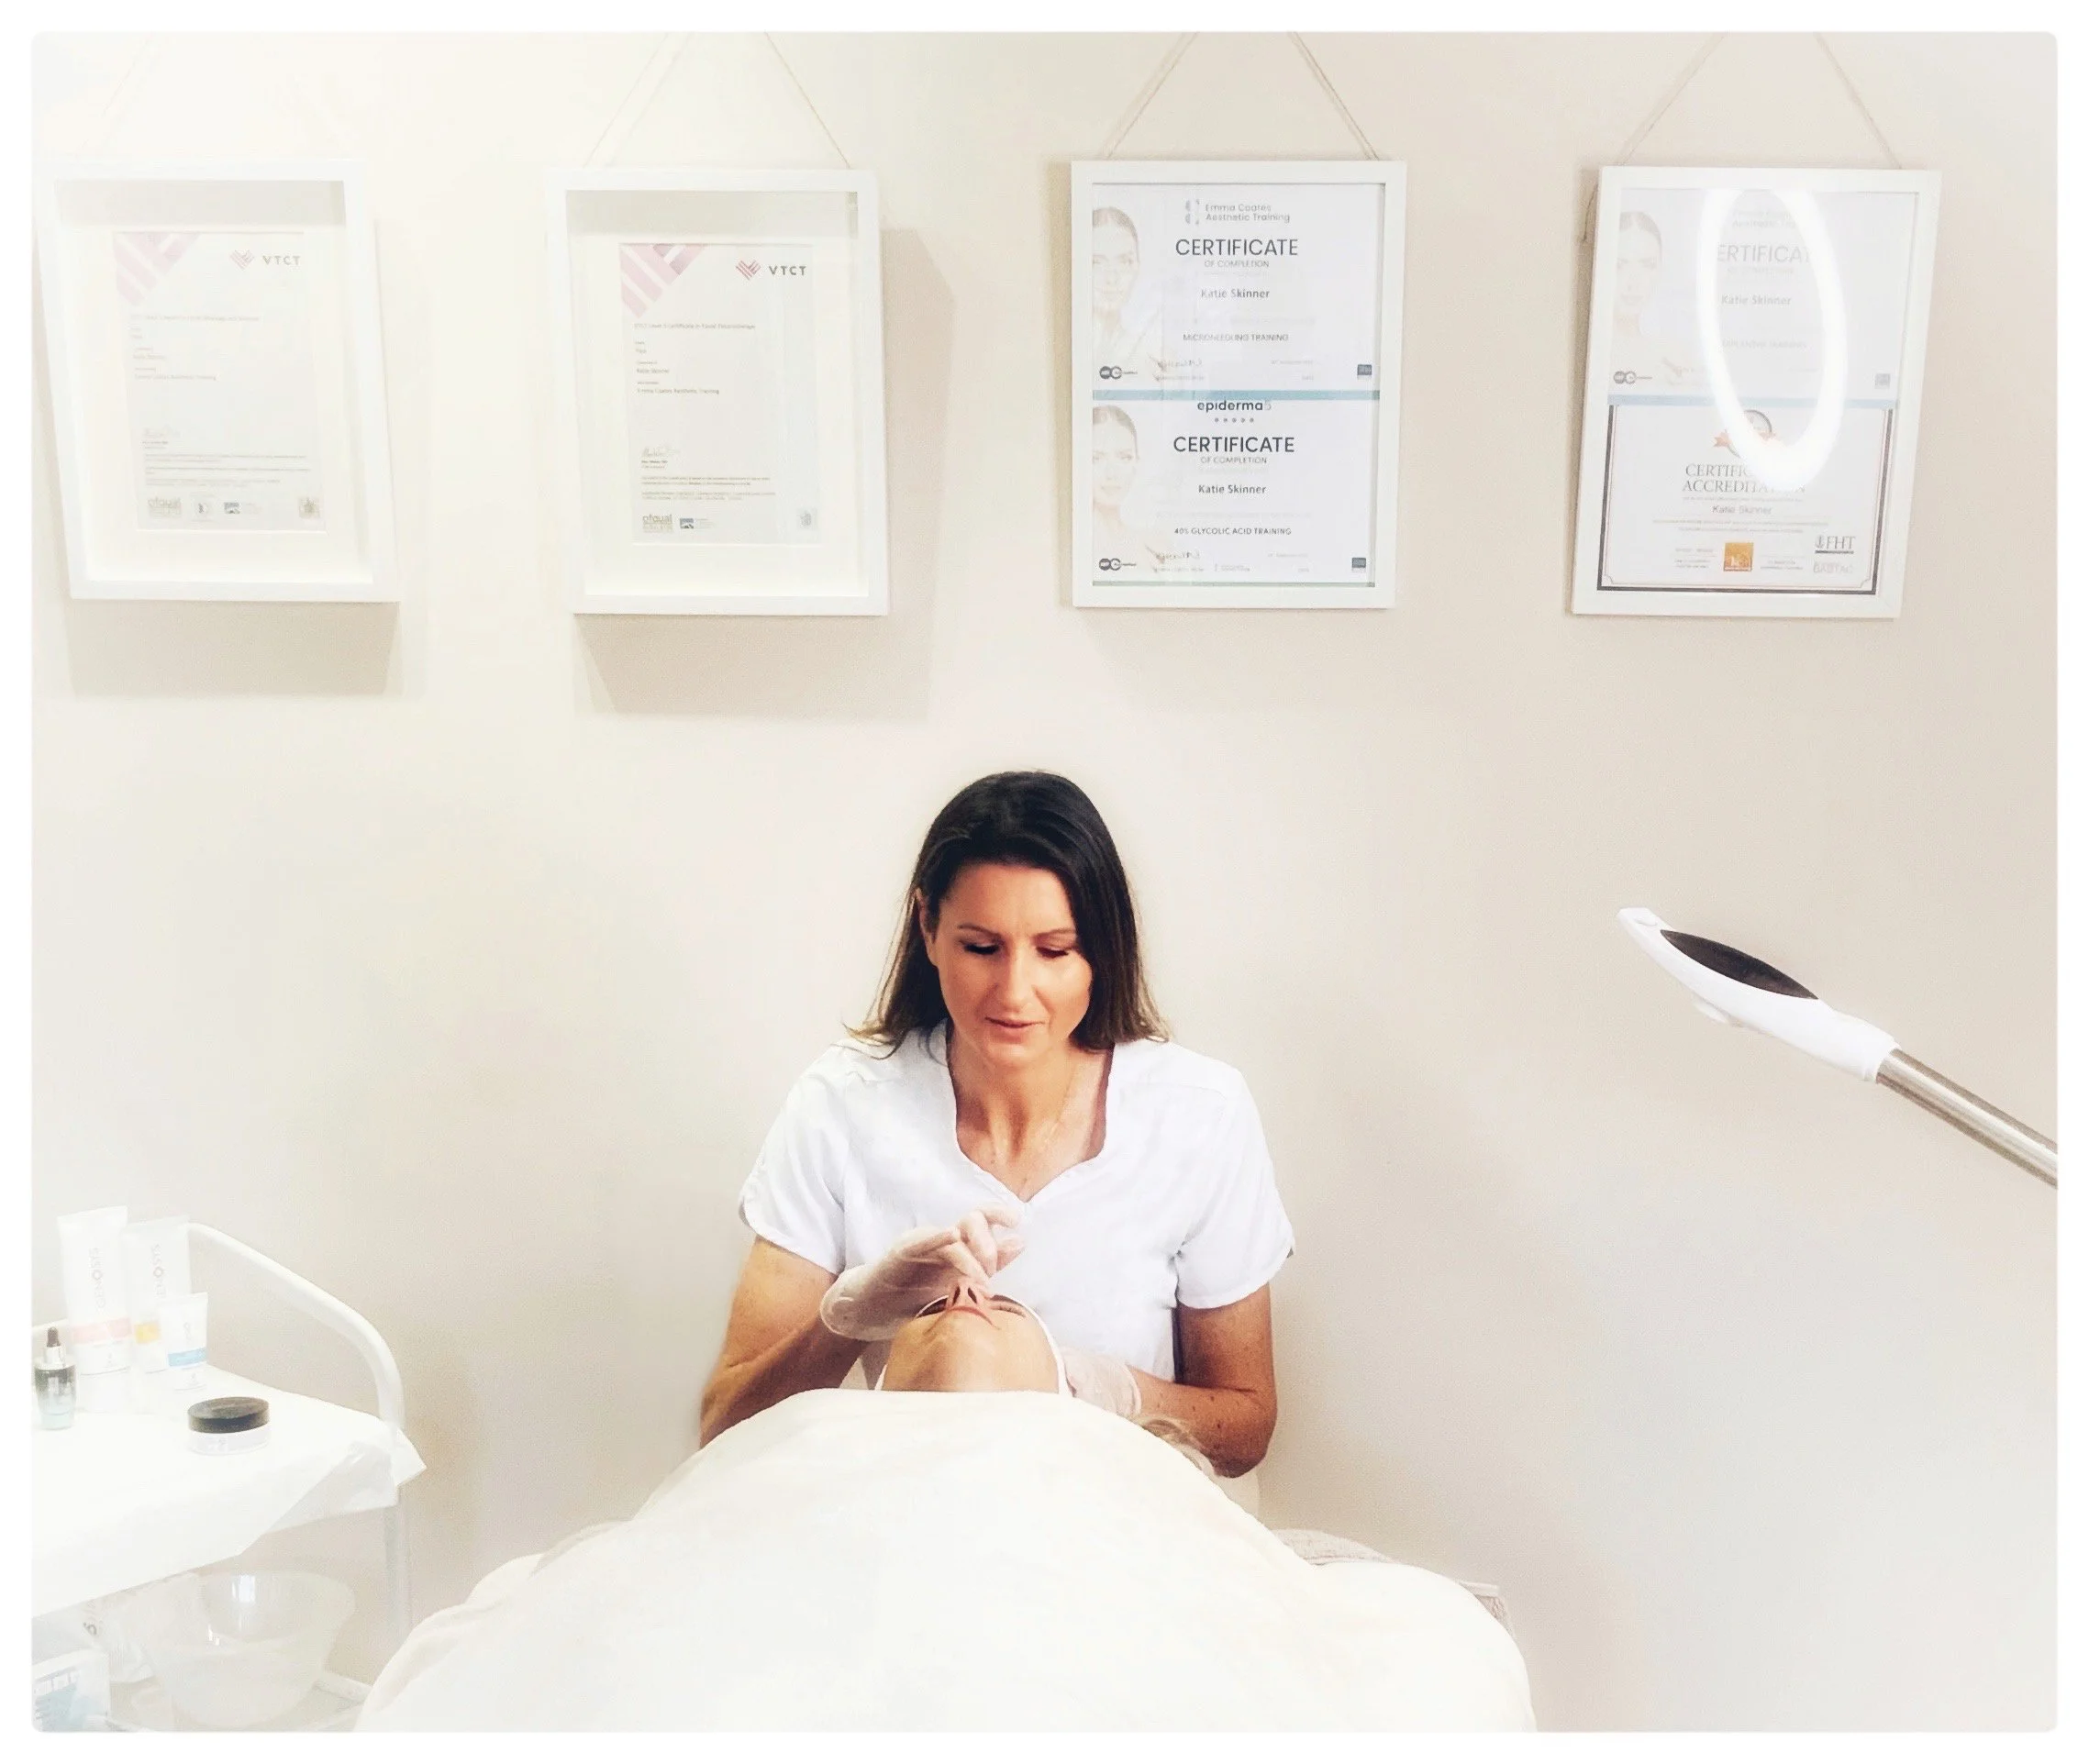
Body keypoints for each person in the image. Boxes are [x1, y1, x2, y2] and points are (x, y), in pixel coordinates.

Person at [699, 771, 1294, 1478]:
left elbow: (1244, 1422)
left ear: (1101, 948)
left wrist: (1092, 1388)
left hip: (1119, 1525)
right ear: (927, 925)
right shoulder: (844, 1105)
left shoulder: (1198, 1114)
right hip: (908, 1512)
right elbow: (726, 1426)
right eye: (981, 946)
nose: (1014, 992)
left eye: (1053, 950)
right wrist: (849, 1315)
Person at [1610, 209, 1696, 389]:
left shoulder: (1672, 358)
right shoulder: (1598, 354)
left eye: (1648, 265)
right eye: (1620, 265)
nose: (1633, 282)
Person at [1090, 405, 1169, 574]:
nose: (1111, 473)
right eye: (1096, 459)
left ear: (1136, 462)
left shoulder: (1153, 545)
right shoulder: (1078, 544)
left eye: (1124, 458)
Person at [1091, 205, 1164, 382]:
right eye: (1096, 263)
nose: (1112, 278)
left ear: (1137, 266)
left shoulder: (1153, 359)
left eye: (1125, 262)